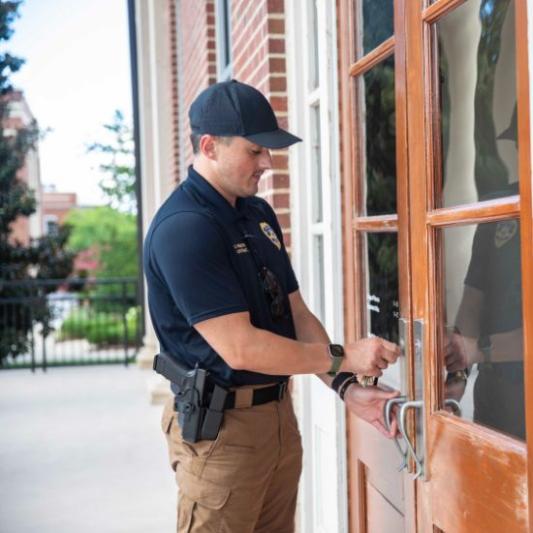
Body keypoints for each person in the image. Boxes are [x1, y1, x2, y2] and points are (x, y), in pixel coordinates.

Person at [143, 80, 401, 533]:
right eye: (255, 150)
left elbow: (296, 314)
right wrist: (346, 354)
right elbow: (241, 348)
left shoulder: (257, 213)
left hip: (278, 420)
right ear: (209, 146)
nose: (268, 162)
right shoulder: (184, 228)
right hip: (221, 435)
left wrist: (347, 388)